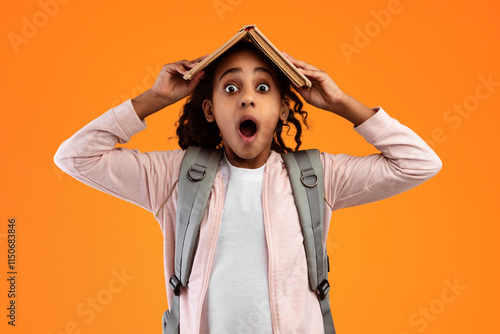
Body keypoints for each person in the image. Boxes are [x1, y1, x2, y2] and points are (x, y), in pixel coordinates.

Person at [54, 41, 442, 333]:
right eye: (230, 89)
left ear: (283, 109)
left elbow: (419, 163)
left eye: (262, 88)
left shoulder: (317, 177)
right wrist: (154, 97)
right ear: (210, 110)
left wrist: (341, 103)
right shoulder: (176, 176)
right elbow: (75, 157)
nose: (246, 101)